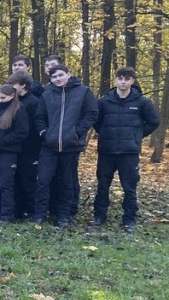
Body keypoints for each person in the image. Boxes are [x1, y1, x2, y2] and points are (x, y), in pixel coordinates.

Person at [90, 67, 159, 232]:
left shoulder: (141, 101)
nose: (123, 82)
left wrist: (137, 135)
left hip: (129, 152)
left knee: (129, 186)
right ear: (115, 80)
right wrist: (105, 133)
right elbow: (96, 121)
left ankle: (129, 219)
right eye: (120, 78)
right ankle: (99, 216)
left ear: (132, 81)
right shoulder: (104, 101)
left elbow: (153, 121)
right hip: (107, 150)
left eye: (127, 79)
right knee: (102, 184)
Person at [32, 64, 97, 228]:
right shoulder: (47, 95)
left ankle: (63, 216)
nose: (57, 79)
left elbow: (91, 114)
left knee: (67, 182)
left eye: (60, 75)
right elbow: (39, 117)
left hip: (71, 146)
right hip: (49, 146)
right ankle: (40, 214)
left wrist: (78, 132)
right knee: (43, 180)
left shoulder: (83, 92)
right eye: (54, 77)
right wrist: (44, 133)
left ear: (69, 74)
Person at [0, 84, 29, 223]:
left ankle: (6, 215)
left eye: (3, 98)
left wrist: (2, 142)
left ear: (11, 96)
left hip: (8, 153)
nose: (0, 100)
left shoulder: (19, 109)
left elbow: (22, 132)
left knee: (5, 184)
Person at [8, 71, 41, 219]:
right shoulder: (13, 101)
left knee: (29, 181)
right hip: (15, 148)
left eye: (13, 84)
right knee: (15, 180)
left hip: (30, 149)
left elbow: (35, 127)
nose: (11, 87)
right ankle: (18, 210)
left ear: (22, 85)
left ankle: (32, 211)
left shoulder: (33, 102)